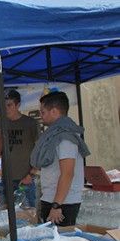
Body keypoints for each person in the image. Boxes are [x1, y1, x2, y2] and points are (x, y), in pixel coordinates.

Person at [31, 92, 90, 226]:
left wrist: (57, 205)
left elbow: (67, 173)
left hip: (63, 203)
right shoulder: (54, 135)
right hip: (52, 198)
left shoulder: (65, 138)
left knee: (59, 238)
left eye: (43, 112)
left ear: (54, 111)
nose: (41, 116)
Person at [0, 89, 40, 207]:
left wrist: (31, 174)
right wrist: (0, 135)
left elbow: (40, 150)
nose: (6, 109)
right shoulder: (2, 124)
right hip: (6, 180)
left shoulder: (30, 123)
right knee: (5, 215)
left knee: (28, 214)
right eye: (3, 106)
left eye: (9, 105)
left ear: (18, 105)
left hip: (25, 180)